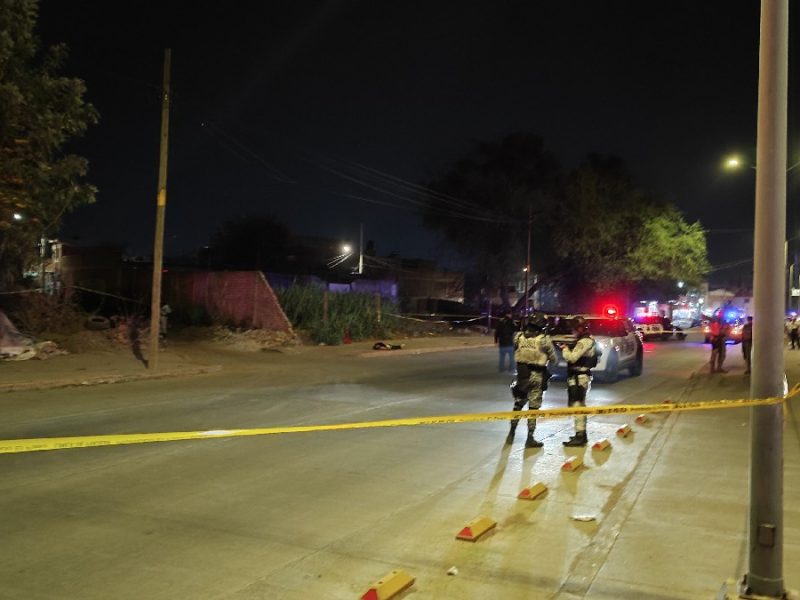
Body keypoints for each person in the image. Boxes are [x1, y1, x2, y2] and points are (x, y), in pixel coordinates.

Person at [506, 313, 556, 448]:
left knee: (518, 404)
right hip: (537, 376)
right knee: (533, 408)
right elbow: (554, 359)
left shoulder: (518, 337)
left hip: (522, 375)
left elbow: (517, 348)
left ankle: (511, 432)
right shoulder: (544, 340)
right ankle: (530, 437)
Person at [558, 316, 597, 447]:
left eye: (575, 328)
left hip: (579, 378)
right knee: (579, 406)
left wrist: (564, 349)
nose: (573, 331)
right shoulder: (585, 339)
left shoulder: (584, 341)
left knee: (577, 406)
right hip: (579, 376)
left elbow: (572, 357)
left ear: (580, 328)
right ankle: (581, 434)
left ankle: (580, 436)